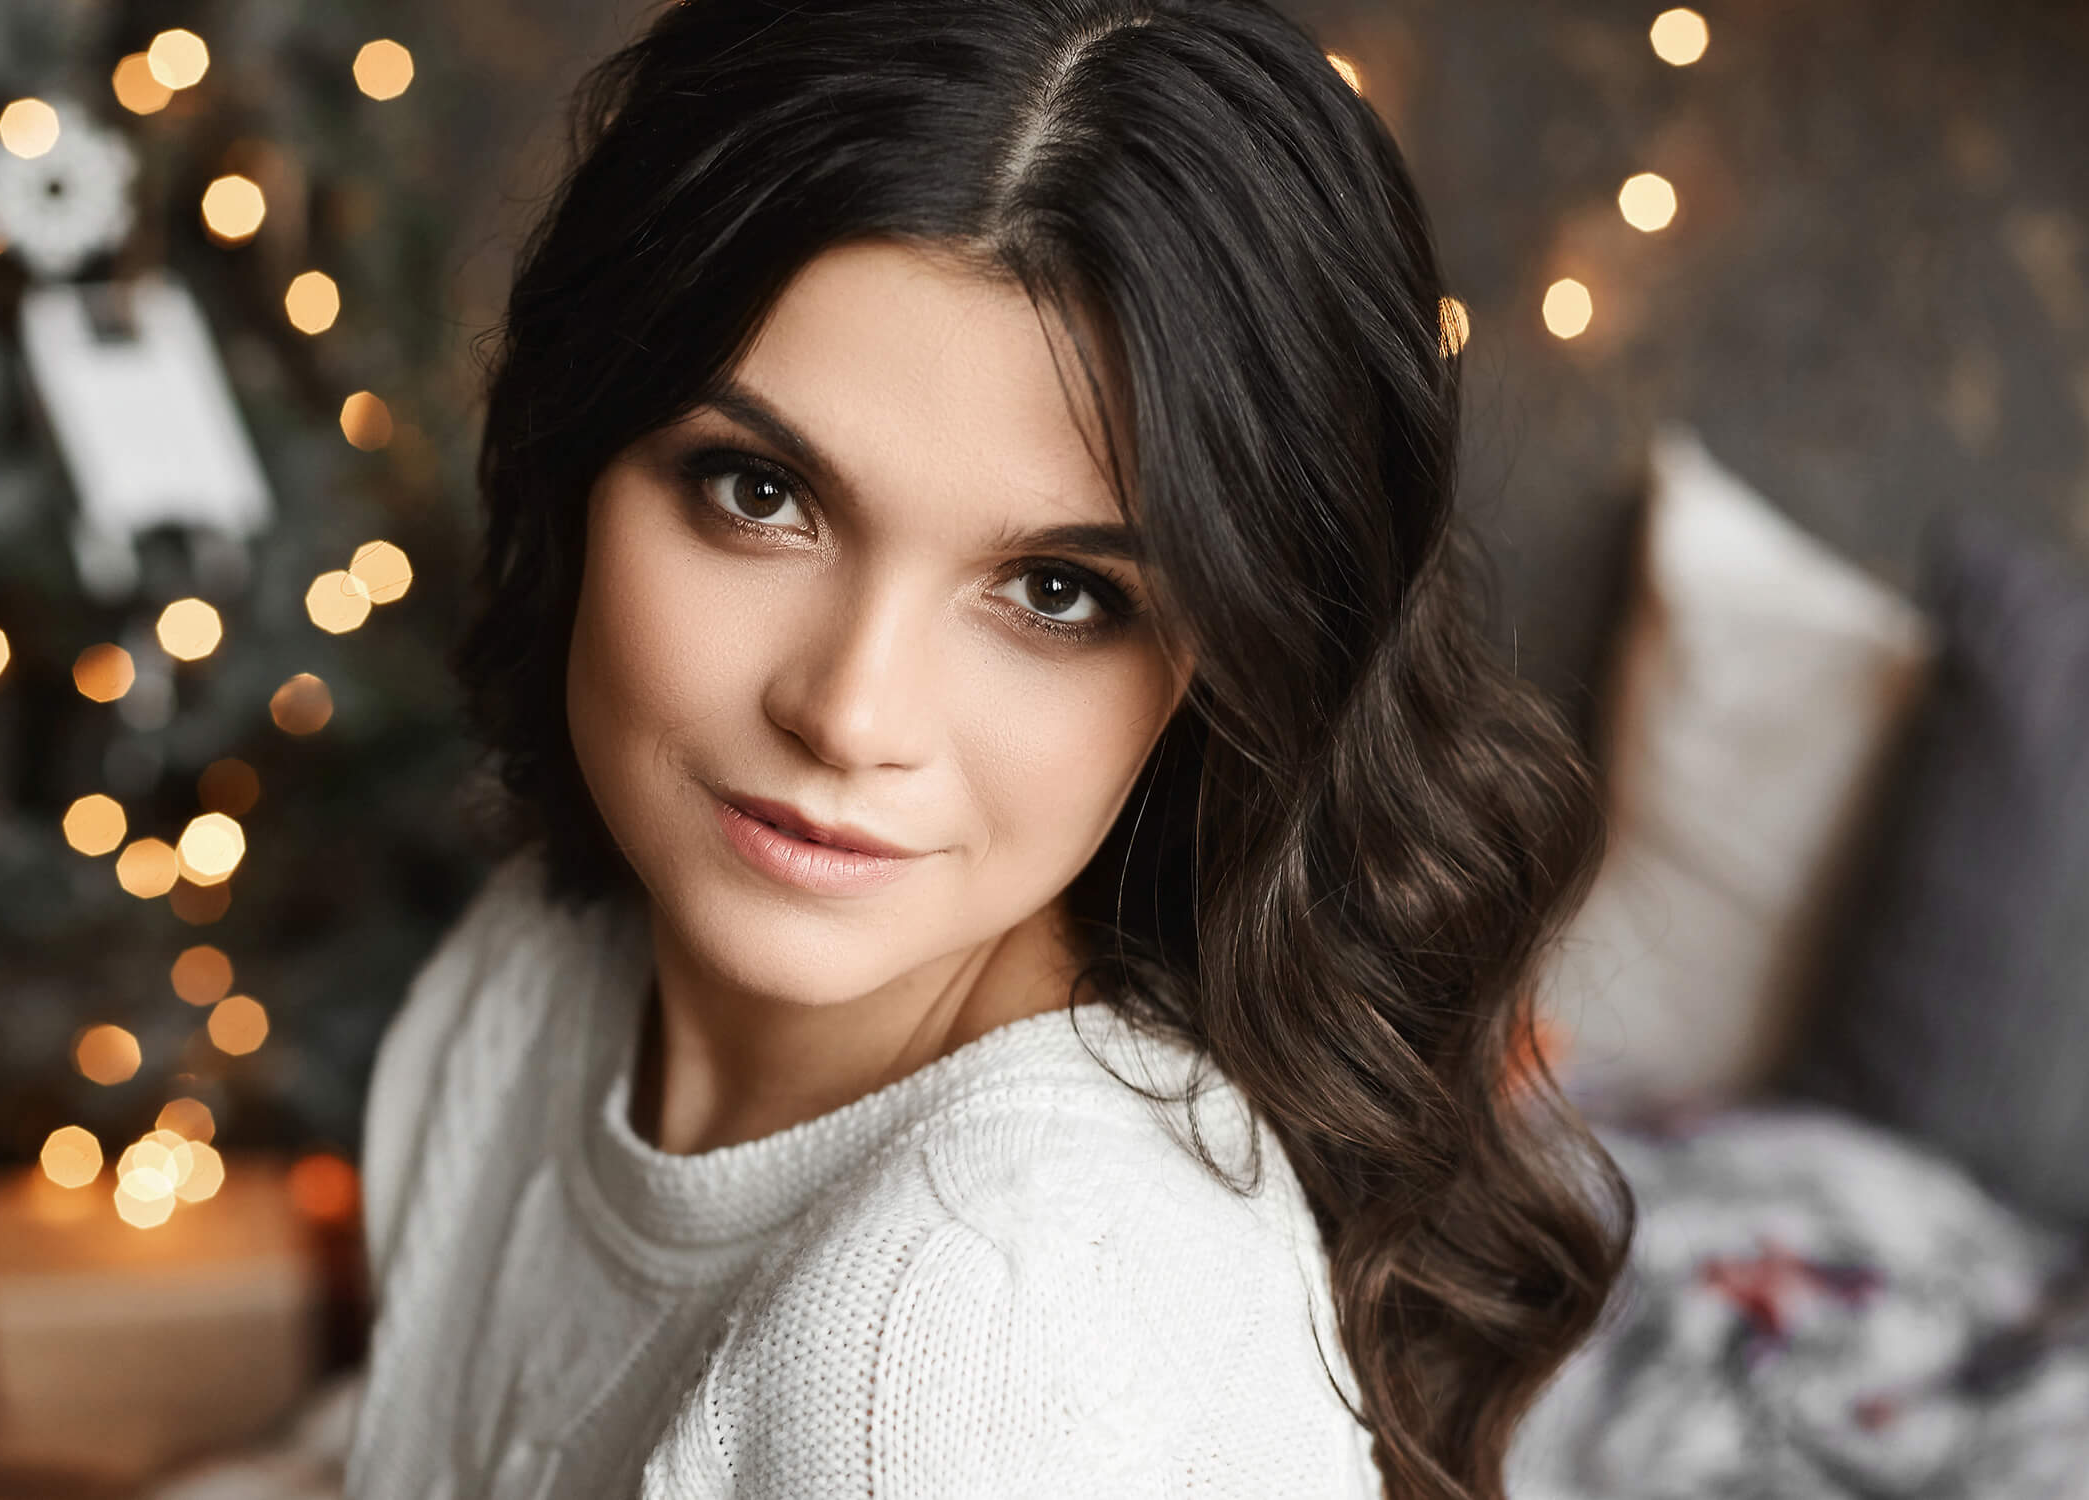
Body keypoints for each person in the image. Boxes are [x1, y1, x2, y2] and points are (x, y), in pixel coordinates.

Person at [349, 1, 1632, 1496]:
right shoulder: (539, 970)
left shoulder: (977, 1343)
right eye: (757, 492)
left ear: (1226, 663)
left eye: (1058, 593)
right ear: (580, 460)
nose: (850, 714)